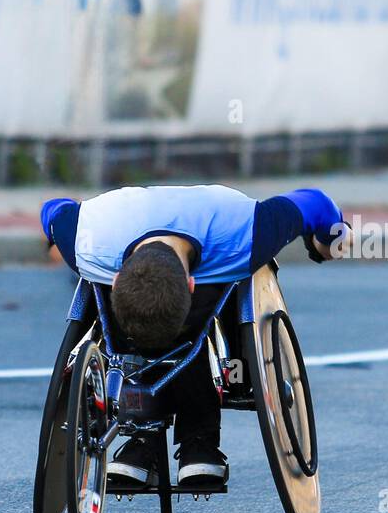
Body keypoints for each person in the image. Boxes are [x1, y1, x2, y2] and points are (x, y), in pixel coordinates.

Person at [40, 185, 345, 489]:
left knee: (234, 277)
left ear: (189, 284)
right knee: (101, 286)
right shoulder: (84, 239)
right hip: (120, 235)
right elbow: (315, 203)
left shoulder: (248, 232)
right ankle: (171, 437)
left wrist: (329, 239)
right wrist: (329, 239)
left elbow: (53, 209)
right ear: (189, 284)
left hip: (215, 233)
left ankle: (187, 435)